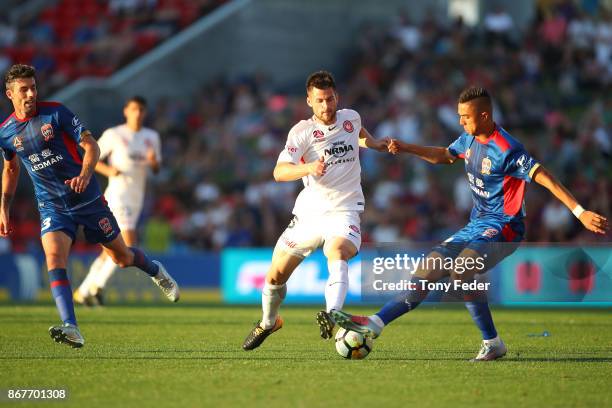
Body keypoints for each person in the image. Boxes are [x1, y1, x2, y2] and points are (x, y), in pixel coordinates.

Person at [331, 86, 608, 361]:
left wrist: (579, 211)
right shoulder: (469, 138)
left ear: (485, 115)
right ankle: (375, 323)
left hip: (505, 227)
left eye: (466, 116)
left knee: (462, 271)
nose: (461, 121)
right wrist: (405, 147)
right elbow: (444, 155)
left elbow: (544, 175)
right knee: (428, 269)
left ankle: (492, 343)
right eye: (460, 116)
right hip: (478, 224)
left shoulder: (507, 148)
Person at [0, 64, 180, 349]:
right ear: (10, 94)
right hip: (52, 206)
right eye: (24, 89)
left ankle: (156, 271)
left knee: (121, 257)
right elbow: (10, 170)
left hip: (88, 200)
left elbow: (91, 145)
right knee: (54, 260)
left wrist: (85, 175)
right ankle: (71, 326)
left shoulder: (56, 112)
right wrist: (4, 206)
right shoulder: (6, 132)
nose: (31, 94)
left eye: (34, 87)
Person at [242, 70, 391, 350]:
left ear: (338, 97)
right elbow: (279, 172)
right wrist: (309, 167)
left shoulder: (351, 117)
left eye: (331, 99)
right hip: (310, 214)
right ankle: (268, 322)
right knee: (275, 277)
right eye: (320, 100)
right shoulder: (302, 133)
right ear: (309, 101)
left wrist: (376, 144)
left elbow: (359, 136)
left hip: (344, 209)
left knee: (337, 252)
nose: (327, 106)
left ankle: (333, 311)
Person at [74, 96, 161, 306]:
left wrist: (153, 162)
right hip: (118, 195)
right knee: (129, 243)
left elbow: (156, 169)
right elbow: (91, 157)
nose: (138, 113)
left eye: (141, 109)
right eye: (134, 109)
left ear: (145, 112)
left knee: (112, 248)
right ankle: (98, 287)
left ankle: (83, 290)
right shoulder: (115, 134)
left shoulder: (151, 136)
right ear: (126, 111)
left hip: (136, 198)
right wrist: (108, 170)